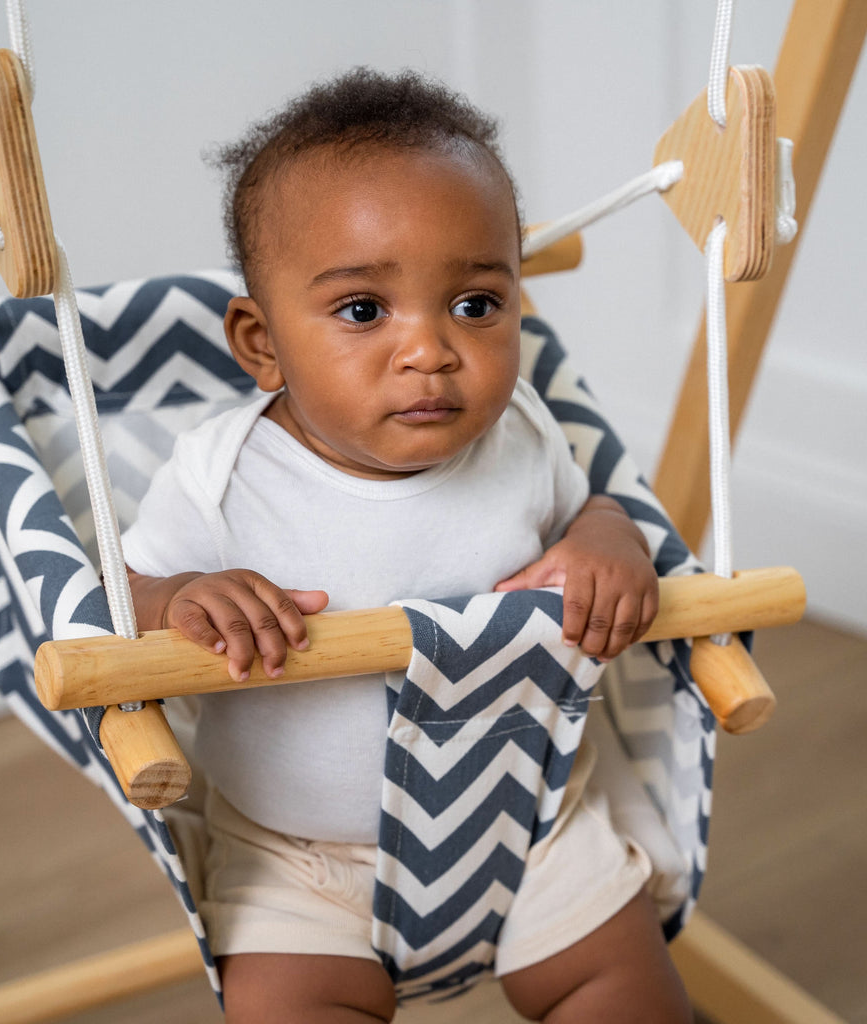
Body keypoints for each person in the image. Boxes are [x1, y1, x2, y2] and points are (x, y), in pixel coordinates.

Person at [123, 68, 691, 1023]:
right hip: (296, 860)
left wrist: (608, 537)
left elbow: (587, 509)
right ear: (262, 345)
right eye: (362, 311)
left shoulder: (526, 436)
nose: (429, 349)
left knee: (629, 995)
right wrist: (179, 598)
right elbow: (120, 597)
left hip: (531, 820)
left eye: (475, 305)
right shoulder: (223, 476)